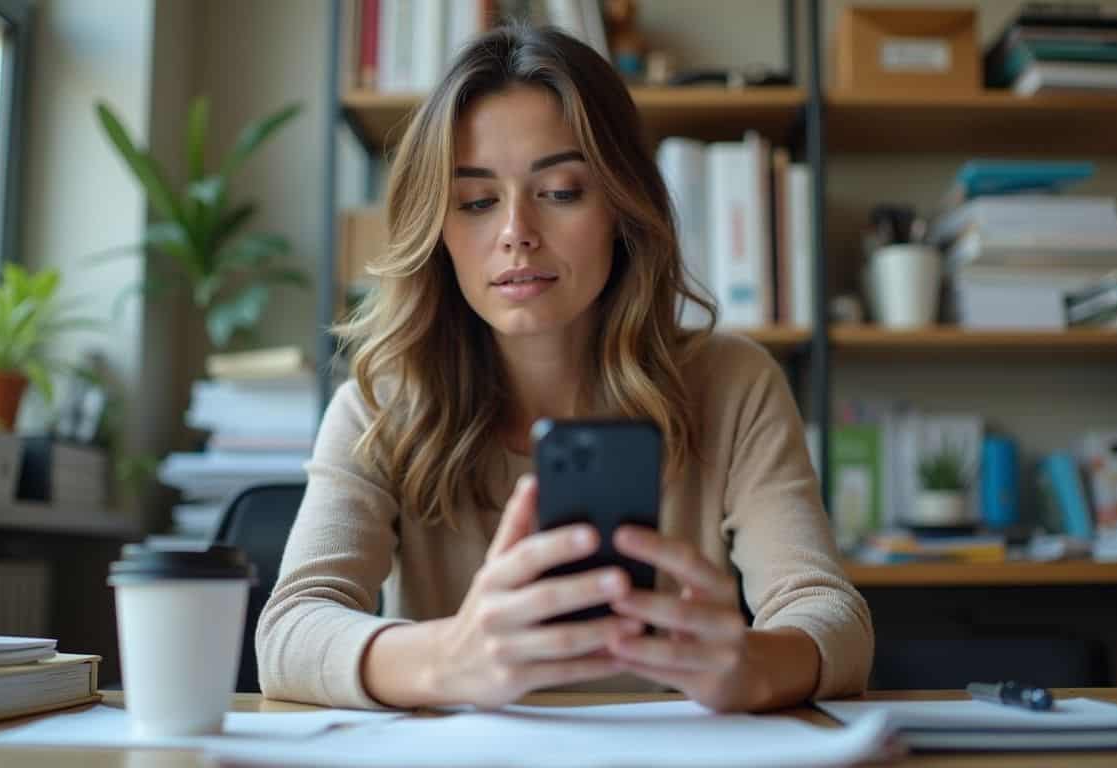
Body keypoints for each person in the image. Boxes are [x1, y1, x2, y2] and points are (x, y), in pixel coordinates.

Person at [256, 24, 872, 713]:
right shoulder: (381, 403)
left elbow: (830, 617)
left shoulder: (733, 383)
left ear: (619, 207)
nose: (516, 231)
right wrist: (448, 659)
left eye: (560, 190)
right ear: (437, 229)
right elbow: (290, 632)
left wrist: (754, 665)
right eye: (477, 202)